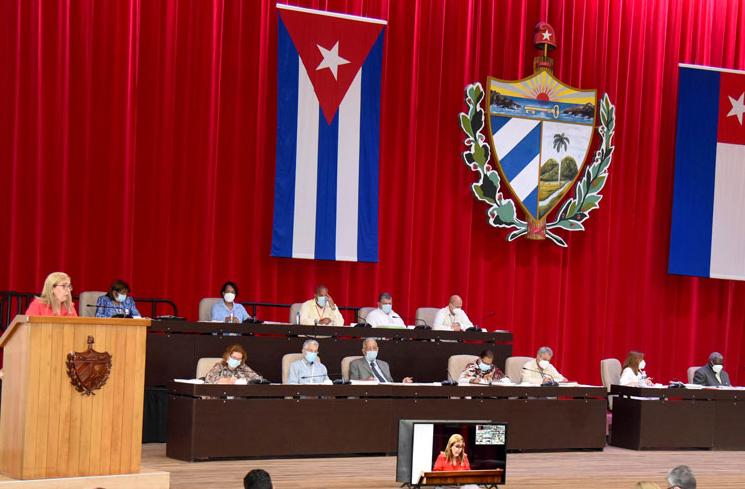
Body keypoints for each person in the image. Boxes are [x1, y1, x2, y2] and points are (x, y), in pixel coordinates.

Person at [348, 338, 413, 383]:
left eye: (374, 348)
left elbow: (390, 383)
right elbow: (353, 383)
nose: (372, 351)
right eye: (369, 349)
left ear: (378, 349)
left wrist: (403, 383)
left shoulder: (384, 364)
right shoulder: (355, 364)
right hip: (371, 394)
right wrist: (366, 382)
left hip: (388, 393)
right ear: (363, 351)